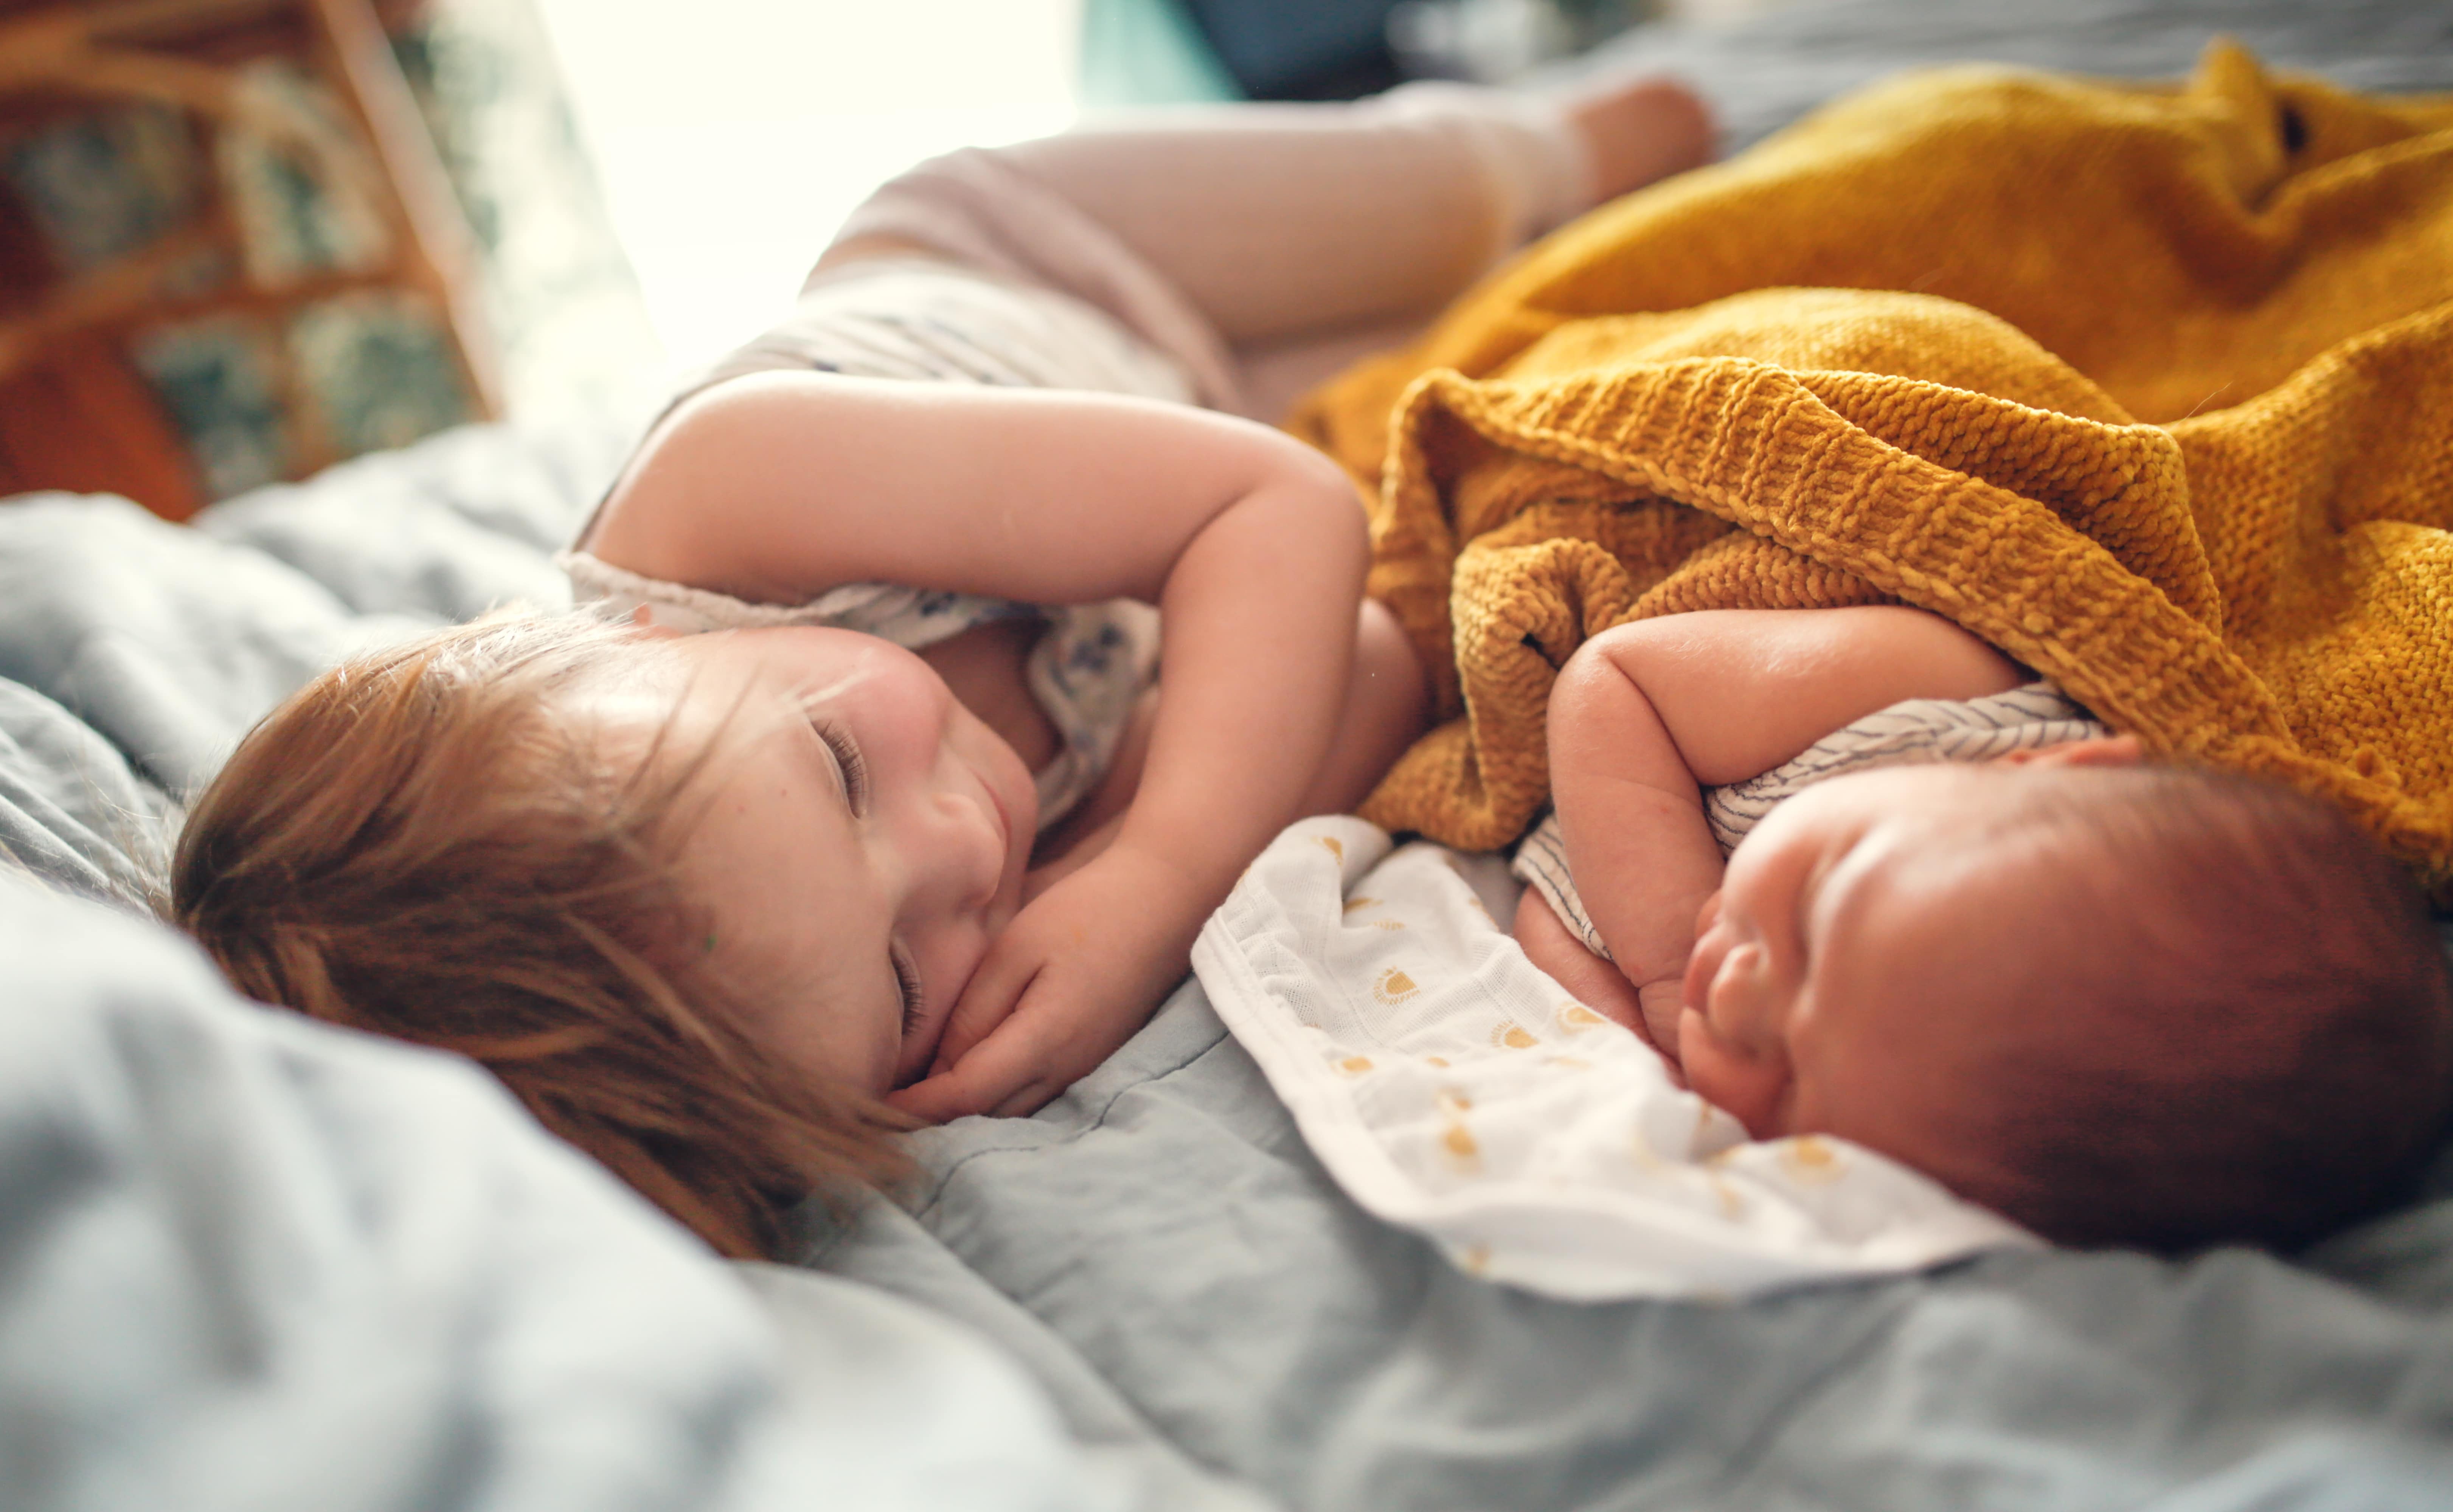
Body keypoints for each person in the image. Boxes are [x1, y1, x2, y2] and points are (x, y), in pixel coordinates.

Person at [168, 71, 1717, 1257]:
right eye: (909, 975)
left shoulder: (737, 488)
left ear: (628, 637)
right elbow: (1367, 664)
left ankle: (1635, 106)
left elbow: (1269, 510)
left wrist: (1155, 866)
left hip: (1067, 263)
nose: (962, 839)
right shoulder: (874, 923)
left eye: (836, 767)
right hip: (1225, 432)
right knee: (1544, 332)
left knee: (1462, 196)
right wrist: (1104, 870)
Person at [1514, 604, 2453, 1251]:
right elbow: (1615, 675)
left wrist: (1647, 1041)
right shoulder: (1929, 700)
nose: (1738, 991)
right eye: (1817, 908)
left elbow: (1553, 885)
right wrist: (1665, 961)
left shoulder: (1915, 1108)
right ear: (2052, 770)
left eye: (1795, 1085)